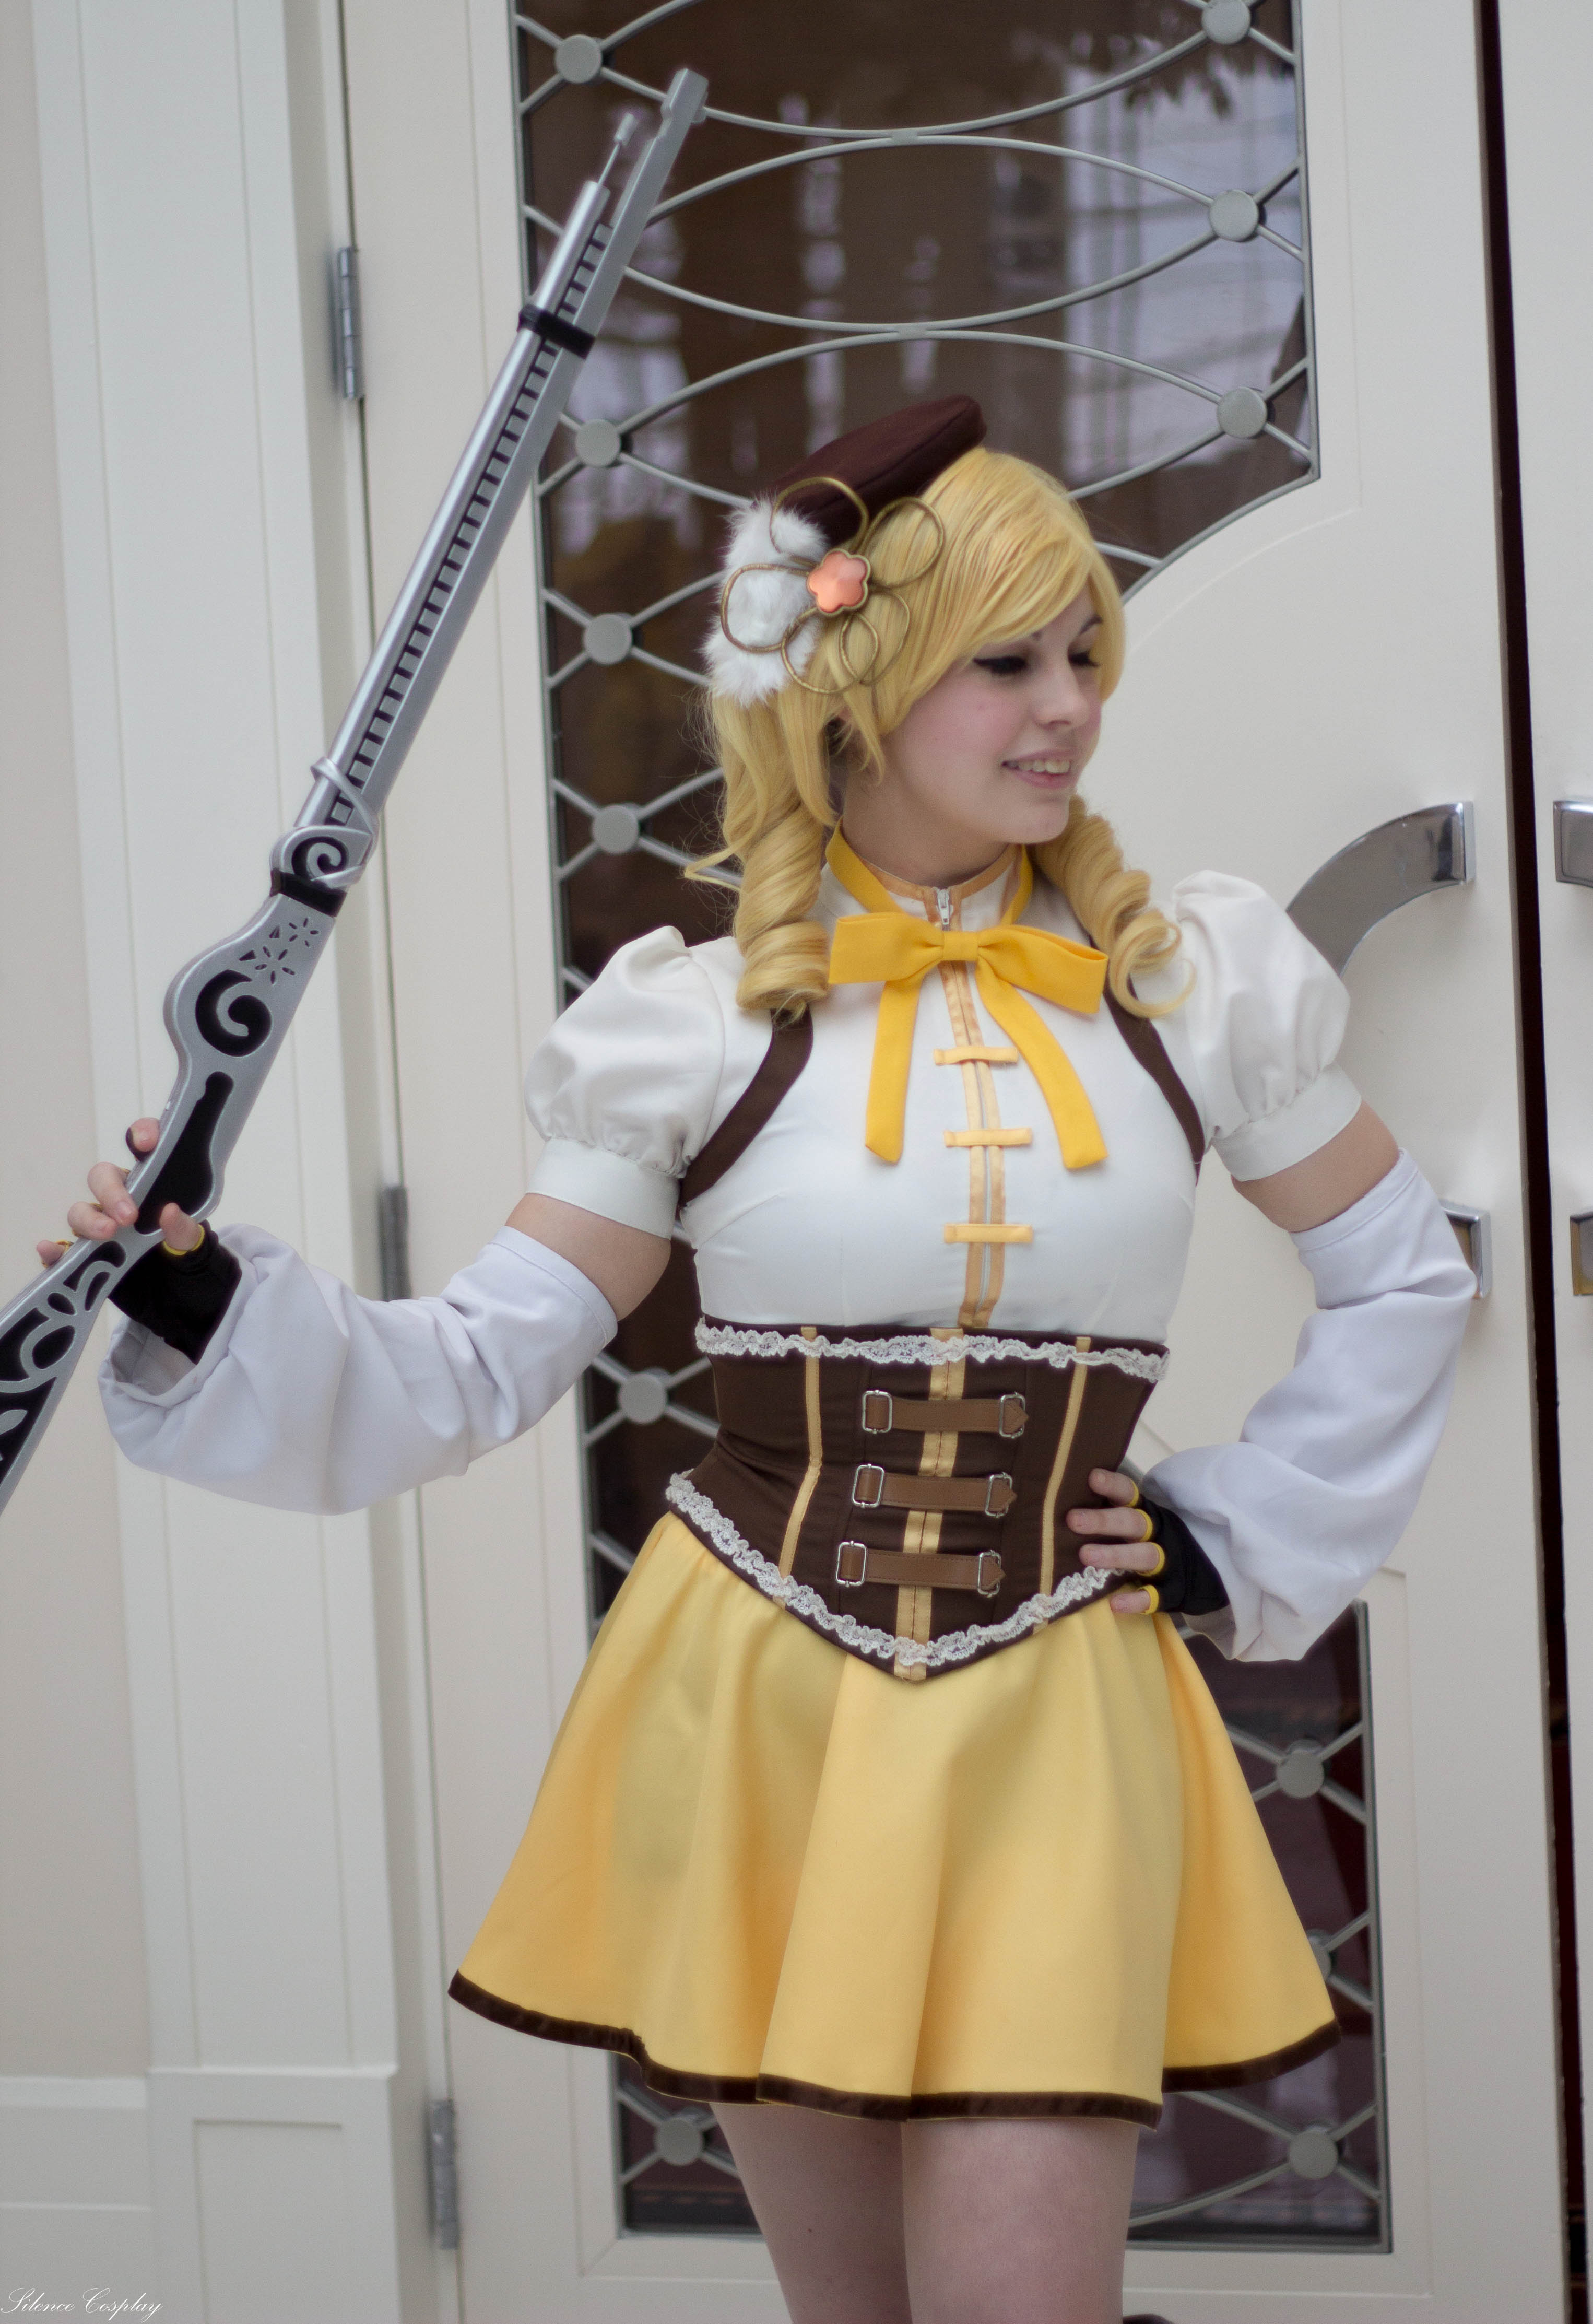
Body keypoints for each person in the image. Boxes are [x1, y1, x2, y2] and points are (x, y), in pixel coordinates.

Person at [59, 398, 1474, 2324]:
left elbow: (1398, 1281)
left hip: (1050, 1715)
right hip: (756, 1715)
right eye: (1005, 663)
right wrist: (199, 1293)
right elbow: (467, 1370)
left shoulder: (1190, 987)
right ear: (858, 683)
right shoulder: (692, 1027)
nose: (1067, 706)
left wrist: (1228, 1527)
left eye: (1083, 653)